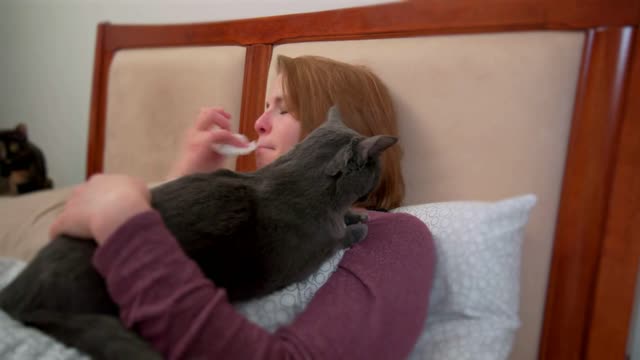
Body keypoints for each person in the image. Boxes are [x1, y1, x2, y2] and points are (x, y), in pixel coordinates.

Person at [50, 55, 436, 359]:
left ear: (338, 134)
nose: (258, 122)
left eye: (283, 109)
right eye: (266, 107)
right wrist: (181, 184)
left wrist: (124, 224)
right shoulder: (242, 204)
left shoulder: (393, 237)